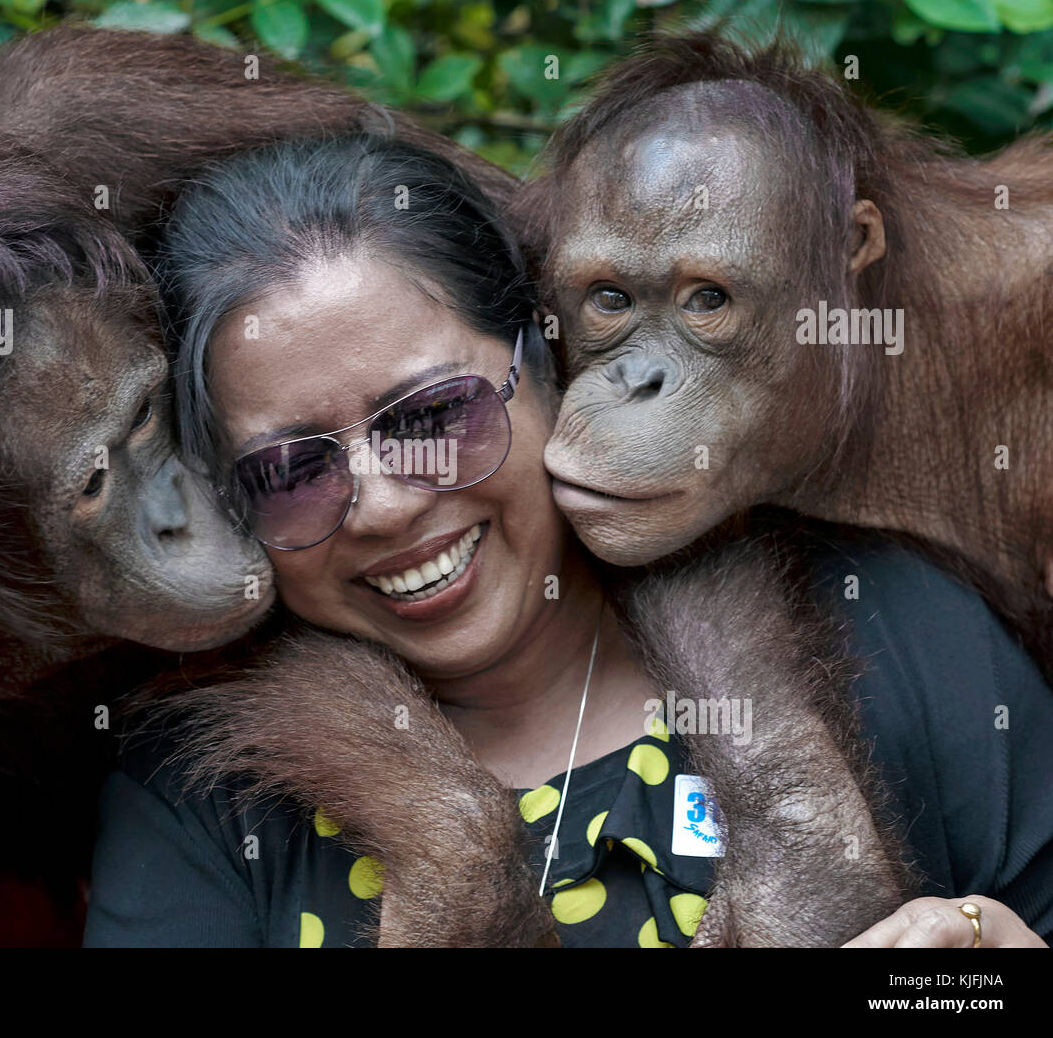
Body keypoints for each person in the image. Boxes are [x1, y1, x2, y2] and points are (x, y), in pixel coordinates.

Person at [83, 135, 1052, 948]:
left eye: (430, 415)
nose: (378, 506)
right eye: (289, 470)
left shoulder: (884, 627)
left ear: (545, 360)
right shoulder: (209, 801)